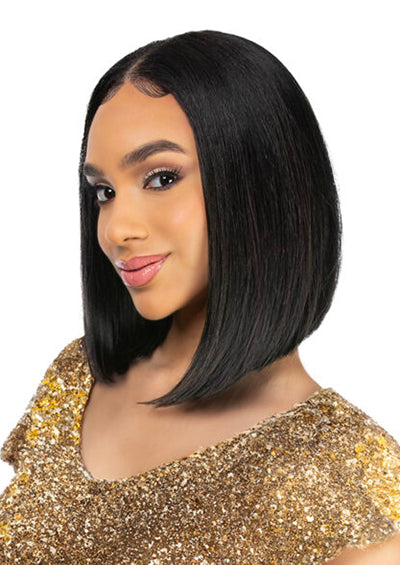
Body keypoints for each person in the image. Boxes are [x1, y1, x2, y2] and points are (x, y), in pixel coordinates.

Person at [0, 29, 399, 564]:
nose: (116, 228)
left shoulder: (342, 474)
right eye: (104, 192)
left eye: (161, 178)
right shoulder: (76, 379)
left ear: (261, 183)